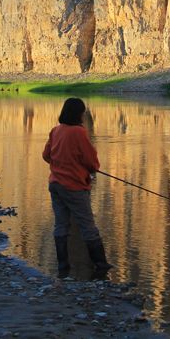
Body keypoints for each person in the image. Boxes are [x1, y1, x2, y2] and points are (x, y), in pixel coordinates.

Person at [42, 97, 110, 278]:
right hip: (74, 186)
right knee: (87, 225)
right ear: (79, 114)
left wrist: (61, 165)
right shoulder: (79, 133)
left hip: (55, 184)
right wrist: (89, 169)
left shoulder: (55, 131)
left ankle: (63, 266)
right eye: (82, 112)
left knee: (61, 224)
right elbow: (91, 160)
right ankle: (101, 265)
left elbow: (46, 155)